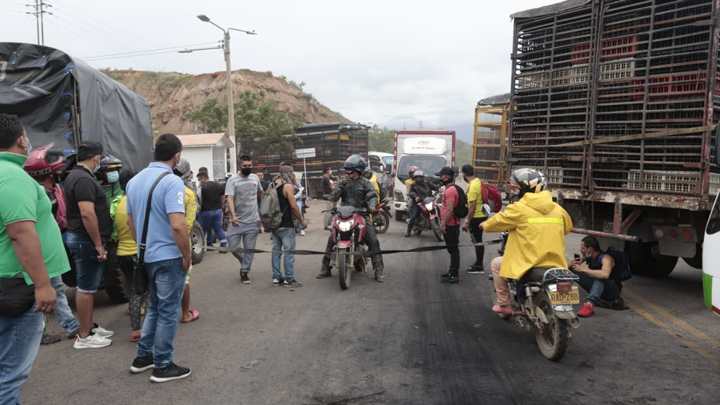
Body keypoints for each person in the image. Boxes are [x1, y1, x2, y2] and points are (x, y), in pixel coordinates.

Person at [1, 114, 67, 403]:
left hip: (9, 282)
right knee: (10, 375)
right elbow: (20, 233)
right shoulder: (12, 176)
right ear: (21, 139)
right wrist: (42, 284)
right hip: (17, 287)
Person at [126, 133, 192, 383]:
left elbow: (130, 221)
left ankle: (143, 357)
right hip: (168, 257)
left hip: (147, 257)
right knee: (167, 311)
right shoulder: (172, 181)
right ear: (177, 156)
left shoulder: (133, 182)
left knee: (154, 306)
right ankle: (163, 365)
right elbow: (178, 225)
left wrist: (143, 247)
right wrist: (186, 256)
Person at [482, 168, 572, 315]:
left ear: (524, 190)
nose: (515, 193)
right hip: (555, 262)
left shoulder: (519, 208)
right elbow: (567, 228)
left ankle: (505, 305)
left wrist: (484, 224)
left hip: (528, 261)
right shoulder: (558, 209)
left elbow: (494, 223)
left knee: (496, 264)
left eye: (517, 189)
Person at [23, 144, 80, 344]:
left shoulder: (52, 189)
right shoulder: (42, 194)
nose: (60, 173)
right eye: (56, 170)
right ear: (45, 172)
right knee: (49, 290)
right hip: (42, 250)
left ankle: (63, 327)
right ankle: (65, 327)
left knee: (53, 289)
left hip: (49, 247)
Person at [63, 140, 114, 349]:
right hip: (86, 240)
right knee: (85, 288)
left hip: (81, 238)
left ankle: (89, 326)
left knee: (88, 287)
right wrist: (98, 245)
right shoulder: (83, 179)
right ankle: (84, 336)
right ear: (96, 157)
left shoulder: (76, 176)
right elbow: (87, 213)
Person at [318, 155, 385, 282]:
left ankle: (379, 269)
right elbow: (333, 197)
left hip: (362, 214)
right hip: (344, 215)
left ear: (359, 170)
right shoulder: (343, 183)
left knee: (373, 241)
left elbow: (373, 196)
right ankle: (325, 268)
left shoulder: (366, 183)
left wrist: (371, 206)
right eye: (347, 170)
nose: (348, 172)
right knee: (331, 240)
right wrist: (340, 187)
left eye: (351, 170)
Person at [111, 169, 144, 342]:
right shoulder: (138, 201)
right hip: (138, 252)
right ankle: (153, 327)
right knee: (148, 290)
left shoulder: (116, 203)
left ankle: (135, 330)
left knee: (134, 291)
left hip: (122, 252)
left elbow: (115, 230)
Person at [226, 155, 263, 284]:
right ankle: (245, 262)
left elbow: (260, 193)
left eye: (249, 166)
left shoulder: (255, 178)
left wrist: (261, 212)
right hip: (236, 221)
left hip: (252, 220)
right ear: (240, 166)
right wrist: (233, 215)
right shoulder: (232, 180)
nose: (248, 168)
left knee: (249, 249)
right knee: (233, 247)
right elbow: (229, 198)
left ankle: (244, 271)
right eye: (245, 166)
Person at [173, 159, 200, 324]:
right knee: (184, 279)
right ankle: (186, 314)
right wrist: (186, 252)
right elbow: (187, 226)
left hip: (157, 245)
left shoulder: (159, 188)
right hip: (180, 243)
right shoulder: (188, 194)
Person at [271, 166, 308, 287]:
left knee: (276, 251)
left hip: (274, 223)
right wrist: (301, 221)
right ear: (288, 174)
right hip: (286, 224)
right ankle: (289, 278)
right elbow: (293, 206)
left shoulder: (271, 185)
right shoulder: (287, 186)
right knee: (289, 252)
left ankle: (276, 278)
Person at [569, 236, 623, 317]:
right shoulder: (588, 255)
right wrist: (571, 264)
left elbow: (605, 274)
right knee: (574, 270)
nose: (581, 250)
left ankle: (589, 305)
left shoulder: (606, 258)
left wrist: (584, 269)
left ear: (590, 249)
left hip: (612, 291)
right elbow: (573, 264)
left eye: (583, 248)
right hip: (598, 288)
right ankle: (561, 294)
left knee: (599, 277)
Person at [436, 167, 462, 284]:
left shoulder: (450, 190)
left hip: (451, 224)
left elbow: (450, 209)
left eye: (441, 176)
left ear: (447, 177)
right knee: (452, 249)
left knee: (454, 249)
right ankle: (452, 271)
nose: (440, 178)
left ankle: (454, 274)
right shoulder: (449, 189)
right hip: (451, 223)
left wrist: (443, 224)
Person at [461, 164, 488, 274]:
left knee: (477, 241)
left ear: (464, 174)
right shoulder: (478, 181)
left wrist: (467, 221)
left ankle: (479, 265)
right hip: (482, 215)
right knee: (478, 240)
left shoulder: (472, 186)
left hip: (476, 217)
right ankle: (478, 263)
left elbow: (472, 205)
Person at [196, 171, 227, 250]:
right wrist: (221, 206)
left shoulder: (202, 187)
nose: (200, 181)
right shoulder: (218, 185)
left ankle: (200, 247)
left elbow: (200, 200)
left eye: (200, 180)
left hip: (206, 211)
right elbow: (223, 197)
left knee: (203, 229)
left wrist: (200, 208)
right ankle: (224, 245)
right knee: (218, 228)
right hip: (217, 211)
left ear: (203, 178)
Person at [405, 170, 439, 237]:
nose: (419, 178)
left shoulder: (427, 183)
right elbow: (411, 193)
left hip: (429, 200)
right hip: (419, 203)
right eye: (417, 177)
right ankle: (408, 231)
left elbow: (434, 187)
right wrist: (415, 197)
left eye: (420, 177)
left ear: (423, 177)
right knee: (413, 216)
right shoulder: (413, 185)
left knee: (438, 208)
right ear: (414, 178)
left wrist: (439, 188)